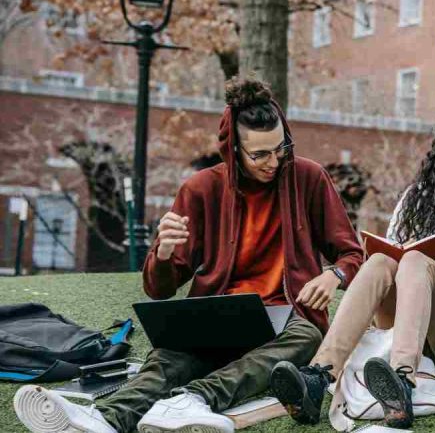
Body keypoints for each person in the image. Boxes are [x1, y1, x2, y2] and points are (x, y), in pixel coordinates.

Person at [12, 77, 364, 433]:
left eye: (280, 147)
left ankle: (192, 400)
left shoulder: (309, 178)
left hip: (285, 318)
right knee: (168, 357)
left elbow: (352, 253)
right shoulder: (201, 189)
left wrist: (333, 275)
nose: (273, 161)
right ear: (233, 150)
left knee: (307, 338)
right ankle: (104, 418)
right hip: (218, 313)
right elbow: (159, 289)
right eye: (259, 154)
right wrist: (163, 253)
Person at [268, 95, 435, 429]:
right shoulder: (418, 197)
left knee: (415, 262)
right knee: (383, 259)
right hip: (406, 323)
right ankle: (318, 376)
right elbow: (393, 262)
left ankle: (402, 382)